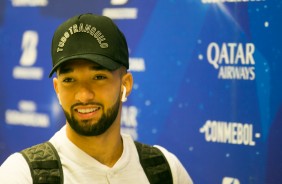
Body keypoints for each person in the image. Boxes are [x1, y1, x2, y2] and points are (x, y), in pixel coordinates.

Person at [0, 13, 193, 184]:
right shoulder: (22, 175)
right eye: (69, 80)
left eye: (99, 77)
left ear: (125, 84)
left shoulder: (166, 170)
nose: (83, 95)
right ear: (57, 89)